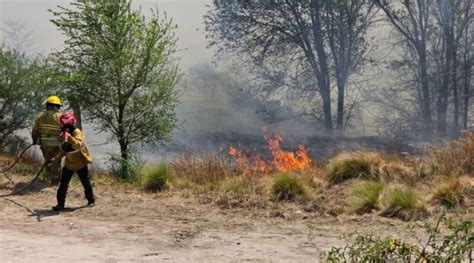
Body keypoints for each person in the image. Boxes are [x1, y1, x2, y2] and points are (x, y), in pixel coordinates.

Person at [52, 113, 95, 211]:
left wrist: (69, 137)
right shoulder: (63, 134)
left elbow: (78, 145)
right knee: (63, 184)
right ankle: (60, 204)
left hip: (80, 162)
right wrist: (57, 158)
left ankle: (91, 200)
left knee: (85, 181)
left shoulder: (77, 132)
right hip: (69, 163)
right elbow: (64, 148)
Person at [32, 96, 63, 184]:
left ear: (47, 105)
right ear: (58, 106)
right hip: (57, 143)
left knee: (47, 159)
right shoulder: (61, 117)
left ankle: (49, 177)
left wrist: (35, 141)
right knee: (56, 160)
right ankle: (55, 180)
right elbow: (66, 131)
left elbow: (35, 130)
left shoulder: (40, 116)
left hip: (44, 142)